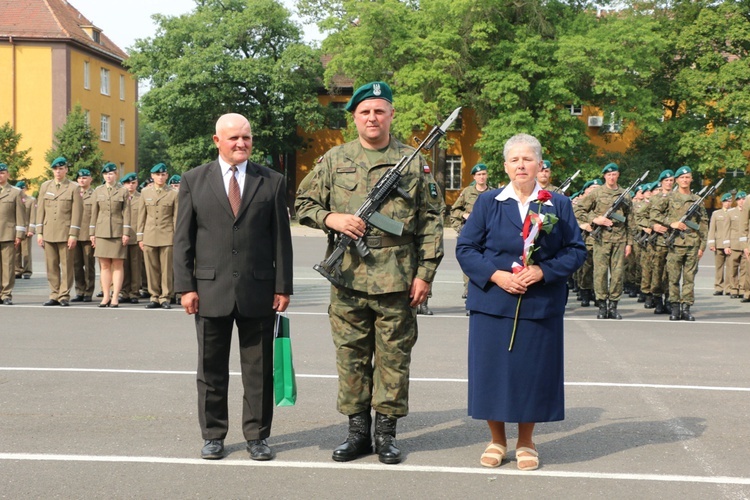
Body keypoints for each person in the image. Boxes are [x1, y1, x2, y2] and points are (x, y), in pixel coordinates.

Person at [295, 81, 445, 464]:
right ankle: (357, 433)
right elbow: (303, 203)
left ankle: (387, 434)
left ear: (391, 114)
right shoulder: (333, 159)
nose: (372, 117)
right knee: (351, 357)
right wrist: (332, 217)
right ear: (355, 118)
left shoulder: (412, 162)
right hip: (347, 275)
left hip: (397, 277)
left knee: (394, 358)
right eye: (365, 112)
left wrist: (425, 274)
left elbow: (430, 222)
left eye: (379, 110)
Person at [456, 133, 585, 470]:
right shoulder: (488, 203)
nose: (521, 165)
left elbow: (576, 250)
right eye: (514, 160)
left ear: (539, 165)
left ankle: (526, 441)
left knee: (532, 373)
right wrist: (497, 276)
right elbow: (466, 248)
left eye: (527, 159)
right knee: (492, 374)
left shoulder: (558, 204)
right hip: (493, 303)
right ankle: (497, 439)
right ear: (505, 166)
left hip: (539, 303)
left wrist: (543, 271)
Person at [174, 113, 293, 461]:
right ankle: (213, 435)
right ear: (217, 141)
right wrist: (185, 288)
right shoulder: (194, 180)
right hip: (209, 291)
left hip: (259, 290)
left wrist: (282, 287)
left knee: (258, 371)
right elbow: (183, 239)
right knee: (211, 370)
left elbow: (280, 241)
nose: (241, 143)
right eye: (233, 138)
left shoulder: (270, 181)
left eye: (247, 137)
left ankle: (257, 435)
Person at [574, 163, 634, 320]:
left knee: (618, 274)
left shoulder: (625, 195)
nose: (612, 177)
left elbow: (631, 221)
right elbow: (579, 209)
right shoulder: (597, 193)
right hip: (601, 239)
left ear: (618, 175)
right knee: (600, 274)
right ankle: (602, 305)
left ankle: (613, 305)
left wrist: (630, 243)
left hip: (620, 240)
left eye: (614, 174)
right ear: (604, 176)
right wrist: (595, 219)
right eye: (609, 175)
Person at [653, 166, 707, 320]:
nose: (685, 180)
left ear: (691, 179)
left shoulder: (697, 200)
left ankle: (686, 308)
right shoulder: (669, 198)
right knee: (673, 278)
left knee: (689, 279)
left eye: (687, 177)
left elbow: (703, 224)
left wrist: (702, 246)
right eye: (682, 178)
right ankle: (675, 308)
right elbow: (655, 214)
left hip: (693, 244)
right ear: (677, 180)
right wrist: (671, 223)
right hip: (675, 244)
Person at [36, 157, 83, 306]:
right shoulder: (45, 186)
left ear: (66, 170)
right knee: (51, 265)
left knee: (67, 265)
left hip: (65, 231)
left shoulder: (73, 187)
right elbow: (40, 210)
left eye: (61, 169)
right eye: (55, 169)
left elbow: (77, 212)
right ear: (52, 170)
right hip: (49, 230)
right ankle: (54, 294)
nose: (58, 171)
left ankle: (64, 295)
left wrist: (73, 234)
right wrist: (39, 232)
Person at [137, 163, 178, 309]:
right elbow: (141, 215)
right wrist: (140, 236)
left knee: (166, 269)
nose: (160, 177)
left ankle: (165, 296)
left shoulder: (173, 193)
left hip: (167, 235)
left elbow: (176, 217)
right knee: (151, 268)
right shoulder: (145, 193)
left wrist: (176, 236)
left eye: (163, 174)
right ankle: (154, 296)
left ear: (166, 176)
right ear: (152, 176)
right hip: (149, 235)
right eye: (157, 175)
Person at [90, 163, 131, 307]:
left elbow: (126, 213)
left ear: (116, 175)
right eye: (106, 174)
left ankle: (115, 297)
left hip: (117, 232)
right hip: (101, 232)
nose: (109, 176)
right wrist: (92, 233)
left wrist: (126, 232)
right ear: (103, 176)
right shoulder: (98, 191)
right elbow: (94, 213)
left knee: (118, 264)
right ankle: (106, 295)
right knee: (105, 265)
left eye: (111, 173)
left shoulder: (123, 191)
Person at [451, 163, 490, 301]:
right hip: (470, 235)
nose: (481, 177)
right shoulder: (467, 192)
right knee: (470, 264)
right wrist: (462, 221)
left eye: (484, 174)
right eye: (479, 175)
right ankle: (469, 293)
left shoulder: (493, 193)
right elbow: (453, 211)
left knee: (487, 265)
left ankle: (481, 295)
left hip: (488, 236)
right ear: (474, 177)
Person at [0, 163, 26, 305]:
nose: (0, 175)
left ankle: (6, 294)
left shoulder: (15, 192)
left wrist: (19, 235)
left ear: (8, 175)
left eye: (3, 173)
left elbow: (20, 215)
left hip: (8, 233)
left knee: (8, 266)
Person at [71, 169, 96, 302]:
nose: (82, 180)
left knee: (89, 265)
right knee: (76, 265)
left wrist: (94, 233)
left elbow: (96, 216)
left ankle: (88, 292)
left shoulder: (94, 194)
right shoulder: (73, 193)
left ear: (90, 179)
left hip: (88, 235)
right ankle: (79, 291)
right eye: (80, 178)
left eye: (85, 178)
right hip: (75, 235)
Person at [120, 173, 143, 304]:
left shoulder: (141, 198)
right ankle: (124, 292)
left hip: (135, 236)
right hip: (122, 236)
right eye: (128, 183)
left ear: (137, 183)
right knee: (123, 266)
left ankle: (134, 292)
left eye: (133, 183)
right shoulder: (120, 197)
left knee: (135, 266)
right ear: (123, 184)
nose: (130, 185)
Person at [707, 193, 732, 296]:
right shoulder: (716, 214)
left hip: (730, 243)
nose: (728, 203)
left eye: (729, 201)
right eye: (726, 201)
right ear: (722, 202)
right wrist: (711, 242)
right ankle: (718, 287)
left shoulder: (733, 213)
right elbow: (712, 229)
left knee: (730, 267)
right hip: (719, 243)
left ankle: (729, 287)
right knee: (719, 267)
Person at [14, 180, 35, 280]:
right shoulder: (14, 199)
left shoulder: (31, 200)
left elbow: (33, 216)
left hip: (26, 230)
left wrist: (31, 229)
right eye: (18, 188)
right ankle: (17, 270)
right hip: (15, 230)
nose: (20, 190)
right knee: (16, 252)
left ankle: (27, 271)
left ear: (25, 189)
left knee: (26, 252)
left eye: (22, 188)